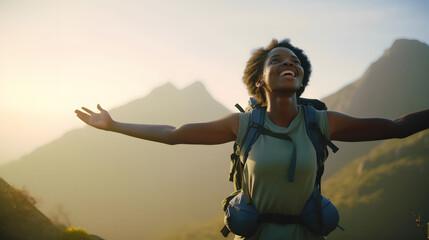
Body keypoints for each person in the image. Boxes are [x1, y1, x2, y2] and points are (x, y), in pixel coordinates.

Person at [75, 39, 429, 240]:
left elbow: (396, 127)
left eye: (294, 62)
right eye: (277, 60)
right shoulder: (243, 125)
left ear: (301, 77)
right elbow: (175, 135)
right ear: (260, 80)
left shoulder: (321, 122)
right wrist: (115, 125)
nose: (288, 64)